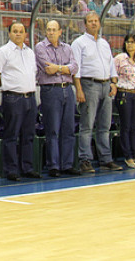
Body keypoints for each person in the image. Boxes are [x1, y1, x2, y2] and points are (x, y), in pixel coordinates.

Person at [70, 12, 123, 173]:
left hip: (106, 84)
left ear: (99, 23)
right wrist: (78, 88)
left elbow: (111, 64)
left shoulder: (104, 43)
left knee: (105, 125)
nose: (93, 24)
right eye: (90, 21)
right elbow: (75, 68)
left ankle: (105, 159)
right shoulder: (79, 43)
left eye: (96, 21)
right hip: (89, 84)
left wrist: (114, 82)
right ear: (85, 25)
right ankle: (85, 159)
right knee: (87, 125)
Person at [0, 22, 39, 180]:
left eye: (21, 31)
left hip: (30, 97)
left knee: (28, 134)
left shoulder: (30, 52)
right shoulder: (2, 52)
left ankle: (27, 167)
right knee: (11, 134)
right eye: (15, 31)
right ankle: (11, 169)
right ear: (9, 33)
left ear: (26, 34)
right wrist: (7, 87)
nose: (18, 34)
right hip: (13, 97)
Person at [34, 20, 81, 177]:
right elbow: (47, 68)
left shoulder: (67, 48)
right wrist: (65, 69)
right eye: (48, 30)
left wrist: (59, 69)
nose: (51, 32)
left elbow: (74, 67)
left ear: (60, 31)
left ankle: (67, 164)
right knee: (52, 129)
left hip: (67, 89)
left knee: (68, 129)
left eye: (54, 29)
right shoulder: (40, 47)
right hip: (50, 90)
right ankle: (53, 165)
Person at [113, 34, 135, 169]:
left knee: (134, 126)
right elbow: (113, 74)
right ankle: (128, 156)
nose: (129, 44)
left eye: (132, 42)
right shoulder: (120, 58)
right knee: (125, 126)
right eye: (127, 42)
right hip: (124, 93)